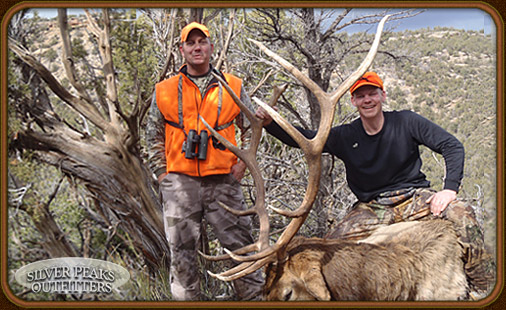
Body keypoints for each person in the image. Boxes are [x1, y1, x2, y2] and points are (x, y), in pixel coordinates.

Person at [255, 71, 495, 297]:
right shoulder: (345, 135)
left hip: (413, 197)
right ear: (353, 101)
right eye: (361, 96)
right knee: (330, 251)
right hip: (373, 207)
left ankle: (482, 287)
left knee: (462, 214)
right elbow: (304, 138)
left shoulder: (406, 121)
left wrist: (449, 189)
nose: (367, 100)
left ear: (383, 96)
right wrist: (270, 124)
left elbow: (452, 146)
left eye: (372, 94)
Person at [146, 22, 263, 301]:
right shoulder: (163, 89)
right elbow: (152, 136)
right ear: (181, 50)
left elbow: (250, 128)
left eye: (202, 42)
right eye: (191, 43)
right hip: (180, 184)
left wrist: (242, 165)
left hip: (224, 180)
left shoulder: (233, 85)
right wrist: (163, 176)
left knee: (241, 248)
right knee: (181, 254)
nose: (197, 47)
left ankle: (255, 300)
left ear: (211, 47)